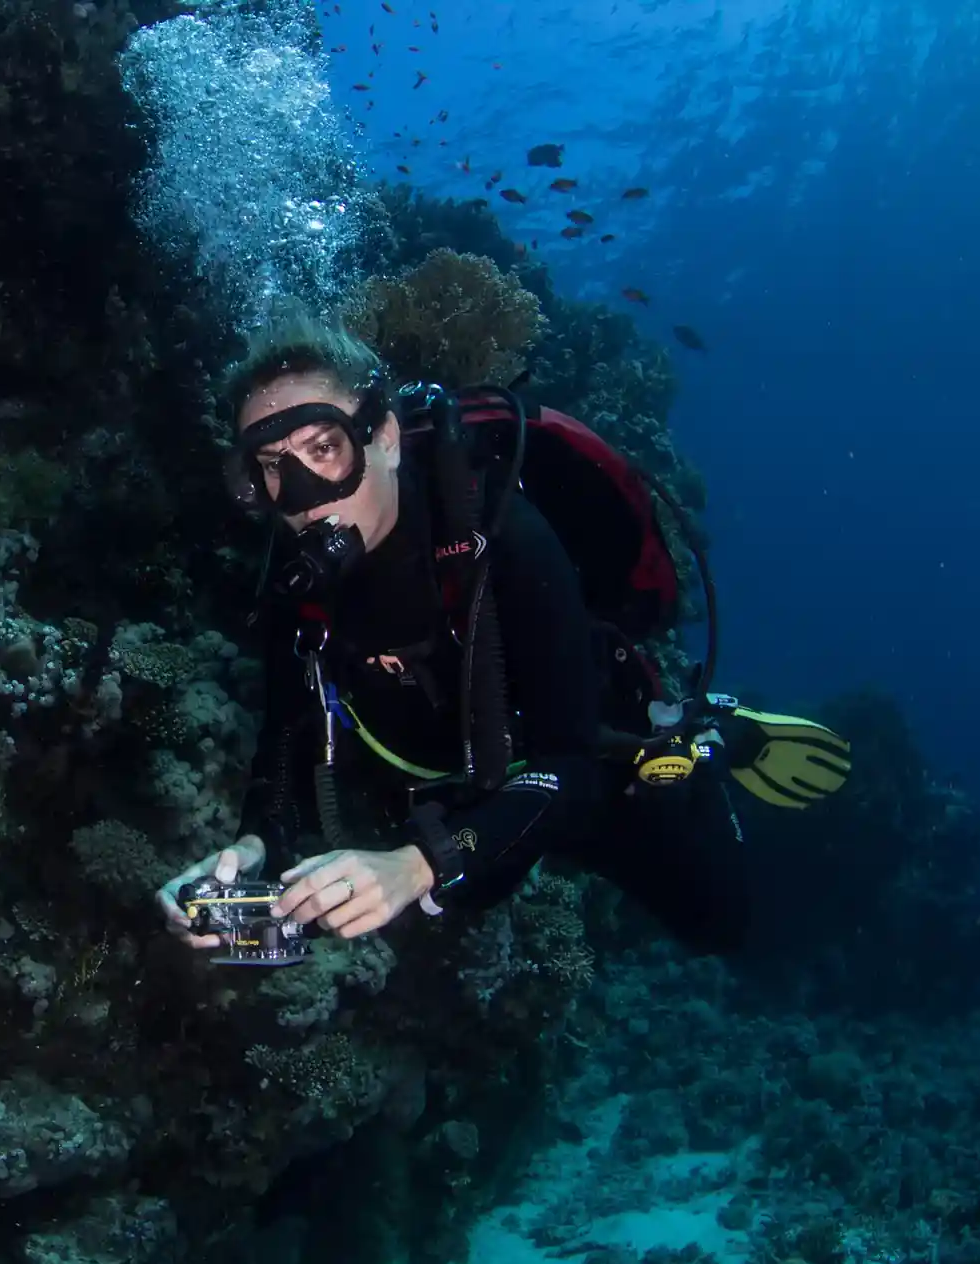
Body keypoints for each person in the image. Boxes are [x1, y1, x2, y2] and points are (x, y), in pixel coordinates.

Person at [155, 315, 849, 954]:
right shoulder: (297, 585)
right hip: (461, 790)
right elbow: (285, 734)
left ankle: (709, 734)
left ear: (386, 439)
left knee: (718, 923)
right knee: (468, 891)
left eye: (324, 448)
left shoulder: (498, 535)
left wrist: (416, 864)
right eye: (273, 467)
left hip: (590, 767)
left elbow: (571, 768)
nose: (303, 495)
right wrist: (251, 847)